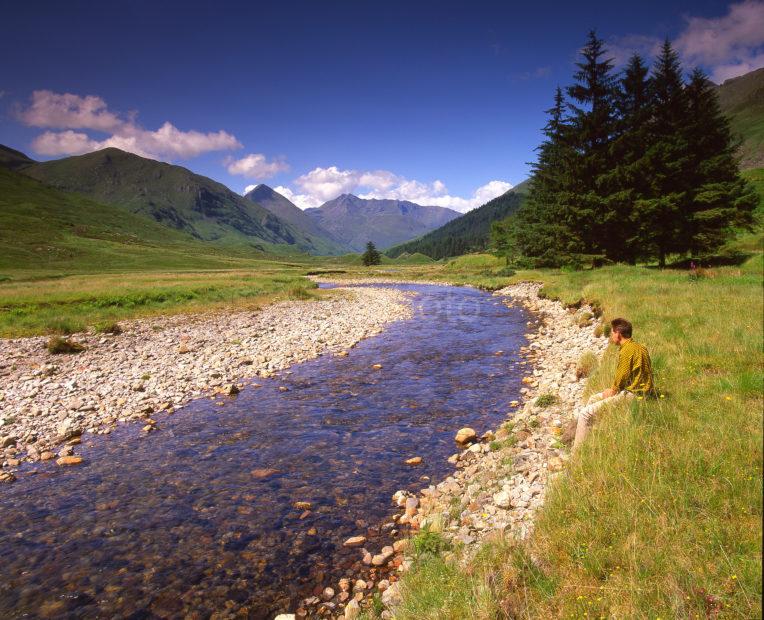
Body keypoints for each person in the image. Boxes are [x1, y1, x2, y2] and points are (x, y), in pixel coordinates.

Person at [573, 318, 654, 450]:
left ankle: (577, 453)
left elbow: (622, 375)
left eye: (612, 333)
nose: (611, 336)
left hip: (634, 395)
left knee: (584, 414)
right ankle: (591, 438)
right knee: (593, 398)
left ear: (618, 333)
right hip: (643, 392)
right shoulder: (640, 347)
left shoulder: (626, 350)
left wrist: (613, 390)